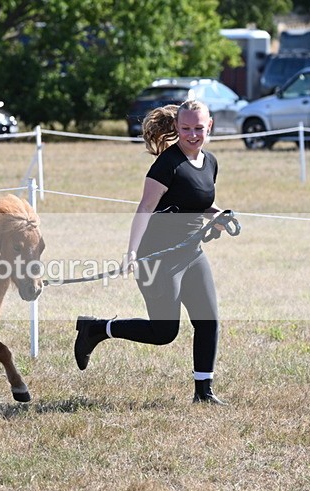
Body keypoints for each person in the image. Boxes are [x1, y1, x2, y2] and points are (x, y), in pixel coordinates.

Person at [73, 100, 229, 405]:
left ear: (209, 126)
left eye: (199, 128)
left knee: (208, 320)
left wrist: (218, 214)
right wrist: (131, 253)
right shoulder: (166, 164)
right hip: (157, 257)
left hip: (191, 253)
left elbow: (192, 200)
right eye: (186, 128)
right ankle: (96, 329)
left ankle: (204, 392)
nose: (193, 134)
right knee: (164, 332)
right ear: (177, 127)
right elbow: (145, 207)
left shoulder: (210, 162)